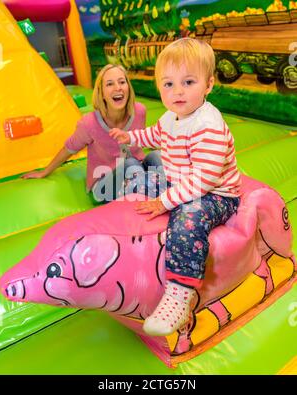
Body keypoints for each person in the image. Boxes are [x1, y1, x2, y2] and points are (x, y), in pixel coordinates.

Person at [109, 38, 241, 336]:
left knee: (189, 216)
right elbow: (156, 134)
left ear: (208, 85)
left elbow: (204, 179)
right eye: (168, 84)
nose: (177, 91)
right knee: (141, 184)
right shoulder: (172, 116)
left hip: (216, 194)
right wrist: (131, 138)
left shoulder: (208, 124)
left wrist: (165, 201)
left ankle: (180, 292)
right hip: (181, 181)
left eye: (188, 82)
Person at [22, 64, 161, 203]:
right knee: (130, 164)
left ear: (128, 88)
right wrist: (45, 172)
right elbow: (69, 148)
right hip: (104, 184)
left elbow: (144, 138)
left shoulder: (139, 111)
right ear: (102, 93)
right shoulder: (89, 123)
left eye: (122, 82)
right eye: (110, 84)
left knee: (157, 156)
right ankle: (152, 199)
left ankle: (168, 198)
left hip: (137, 171)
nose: (117, 87)